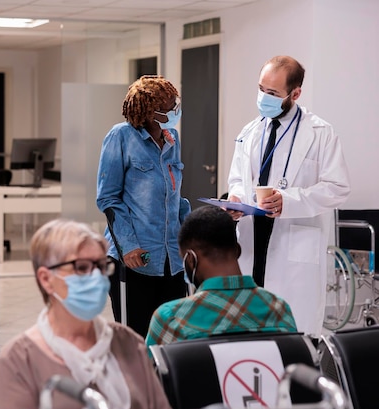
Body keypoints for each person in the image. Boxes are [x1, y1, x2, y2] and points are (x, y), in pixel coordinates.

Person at [227, 55, 350, 337]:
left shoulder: (320, 133)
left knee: (293, 337)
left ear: (295, 94)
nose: (263, 98)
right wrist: (235, 199)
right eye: (261, 89)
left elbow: (338, 187)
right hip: (251, 242)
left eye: (272, 93)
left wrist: (289, 200)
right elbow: (237, 180)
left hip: (293, 249)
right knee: (250, 332)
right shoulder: (250, 132)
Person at [0, 219, 171, 409]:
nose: (96, 277)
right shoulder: (19, 361)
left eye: (101, 266)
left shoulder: (127, 342)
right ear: (46, 279)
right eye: (82, 268)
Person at [96, 75, 190, 338]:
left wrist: (191, 235)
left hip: (172, 260)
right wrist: (128, 246)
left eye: (175, 104)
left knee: (169, 339)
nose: (175, 110)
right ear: (151, 112)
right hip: (135, 259)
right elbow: (109, 199)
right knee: (135, 340)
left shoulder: (173, 139)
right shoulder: (121, 137)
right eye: (170, 107)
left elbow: (175, 198)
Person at [145, 206, 297, 347]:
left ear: (190, 260)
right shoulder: (279, 309)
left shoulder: (171, 318)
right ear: (238, 251)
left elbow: (148, 375)